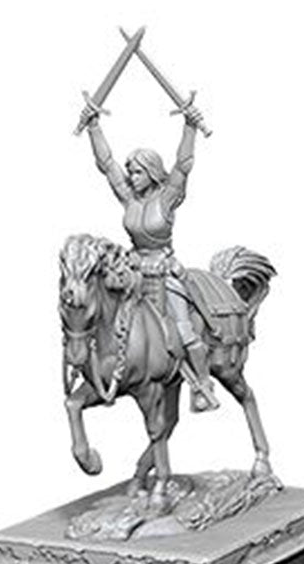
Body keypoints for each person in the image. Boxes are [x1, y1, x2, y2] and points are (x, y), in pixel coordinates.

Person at [79, 101, 220, 412]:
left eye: (138, 171)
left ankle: (202, 385)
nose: (132, 176)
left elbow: (182, 166)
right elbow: (107, 165)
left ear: (152, 172)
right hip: (132, 272)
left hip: (164, 273)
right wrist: (94, 126)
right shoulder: (129, 199)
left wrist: (190, 127)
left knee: (183, 331)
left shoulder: (167, 199)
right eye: (131, 171)